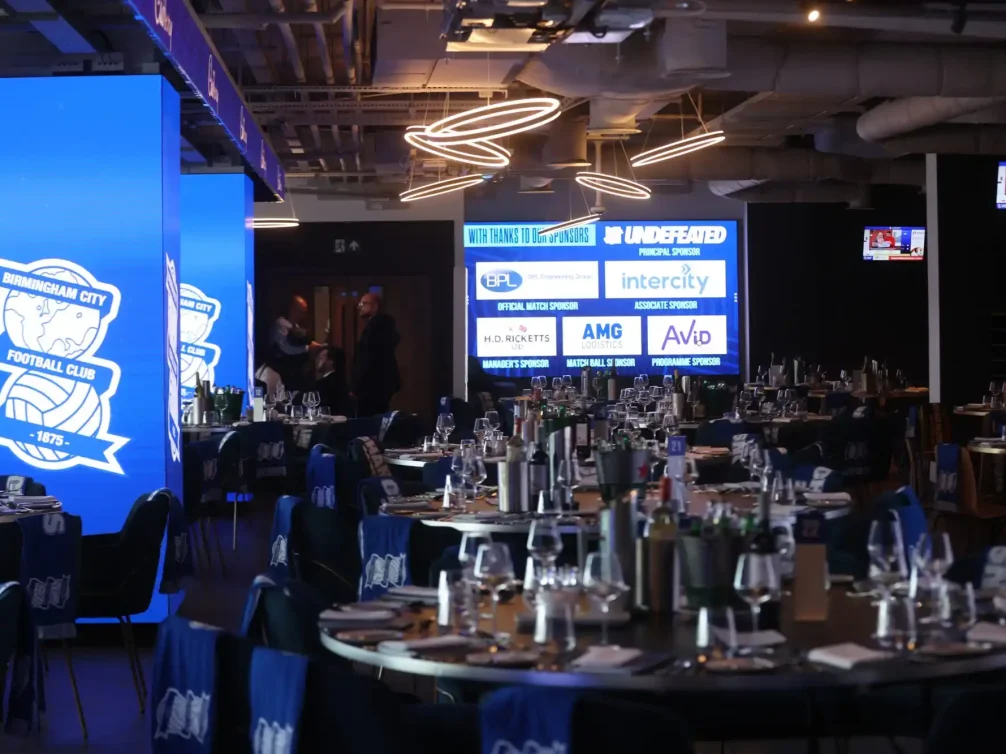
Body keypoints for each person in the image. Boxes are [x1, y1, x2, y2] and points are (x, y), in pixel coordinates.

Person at [351, 292, 401, 416]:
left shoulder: (376, 327)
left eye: (364, 303)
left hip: (372, 385)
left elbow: (368, 358)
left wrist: (356, 386)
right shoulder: (380, 325)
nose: (360, 306)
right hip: (379, 384)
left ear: (375, 307)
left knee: (368, 420)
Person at [270, 295, 322, 389]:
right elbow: (285, 348)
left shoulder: (296, 326)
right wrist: (308, 348)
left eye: (304, 312)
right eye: (301, 311)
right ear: (292, 309)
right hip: (284, 371)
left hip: (298, 371)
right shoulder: (281, 324)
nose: (303, 315)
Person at [315, 346, 349, 416]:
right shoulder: (339, 380)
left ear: (331, 361)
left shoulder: (329, 383)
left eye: (321, 358)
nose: (317, 361)